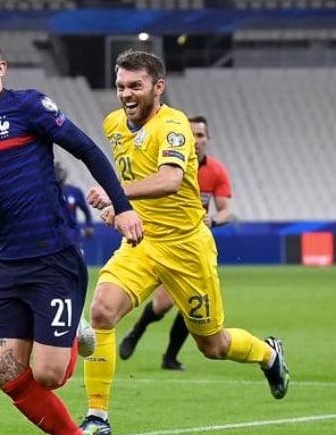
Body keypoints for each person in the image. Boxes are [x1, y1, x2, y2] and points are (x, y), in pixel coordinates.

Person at [79, 50, 290, 435]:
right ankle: (97, 417)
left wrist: (115, 195)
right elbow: (137, 179)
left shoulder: (173, 125)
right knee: (102, 313)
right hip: (143, 243)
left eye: (135, 86)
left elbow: (170, 180)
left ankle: (268, 355)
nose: (125, 94)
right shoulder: (113, 124)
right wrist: (120, 210)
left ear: (158, 87)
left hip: (187, 248)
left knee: (213, 346)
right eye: (120, 86)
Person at [0, 31, 142, 435]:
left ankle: (71, 330)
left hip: (51, 256)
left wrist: (122, 206)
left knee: (49, 375)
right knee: (5, 371)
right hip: (6, 264)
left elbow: (87, 149)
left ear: (1, 68)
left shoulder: (28, 106)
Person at [119, 115, 233, 371]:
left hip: (192, 244)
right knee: (162, 304)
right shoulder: (165, 165)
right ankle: (136, 332)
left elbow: (226, 209)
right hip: (161, 241)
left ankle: (170, 357)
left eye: (200, 135)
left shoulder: (216, 171)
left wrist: (213, 220)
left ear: (208, 139)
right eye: (191, 134)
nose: (196, 140)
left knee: (190, 308)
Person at [55, 161, 95, 240]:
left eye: (60, 172)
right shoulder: (47, 192)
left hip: (72, 234)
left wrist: (89, 226)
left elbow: (86, 211)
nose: (58, 175)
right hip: (54, 235)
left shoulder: (74, 191)